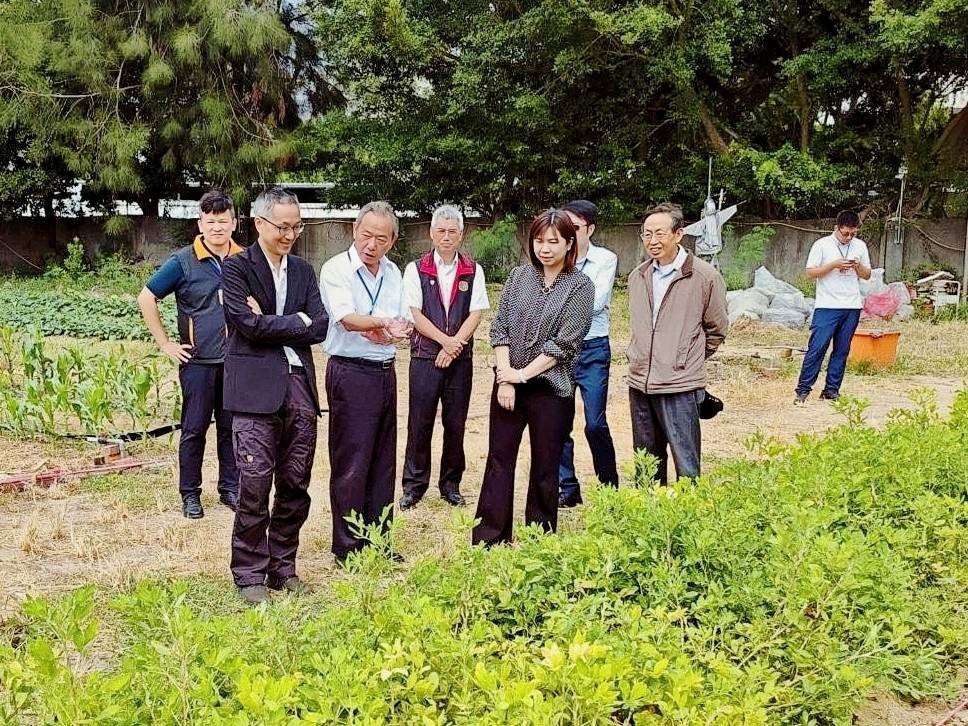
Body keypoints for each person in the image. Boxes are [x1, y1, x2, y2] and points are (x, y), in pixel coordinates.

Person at [221, 187, 329, 605]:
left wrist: (271, 320)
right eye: (282, 226)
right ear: (259, 223)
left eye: (296, 227)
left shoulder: (303, 270)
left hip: (299, 385)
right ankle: (249, 572)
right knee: (254, 482)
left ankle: (283, 566)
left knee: (296, 482)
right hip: (254, 390)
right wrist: (293, 321)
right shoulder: (237, 268)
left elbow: (320, 325)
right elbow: (245, 324)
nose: (289, 235)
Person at [472, 209, 594, 547]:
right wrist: (506, 379)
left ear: (569, 243)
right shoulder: (518, 277)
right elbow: (500, 329)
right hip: (508, 384)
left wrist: (522, 375)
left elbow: (564, 344)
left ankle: (540, 539)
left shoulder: (580, 286)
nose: (545, 248)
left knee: (545, 464)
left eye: (554, 241)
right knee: (499, 460)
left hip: (550, 390)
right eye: (539, 240)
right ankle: (490, 537)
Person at [137, 190, 242, 519]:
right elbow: (146, 297)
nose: (217, 228)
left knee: (231, 429)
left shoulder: (245, 259)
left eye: (223, 221)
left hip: (237, 362)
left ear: (234, 223)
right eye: (210, 222)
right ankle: (190, 494)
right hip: (197, 362)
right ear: (200, 224)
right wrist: (165, 343)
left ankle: (230, 488)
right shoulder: (183, 261)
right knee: (194, 429)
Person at [319, 201, 412, 564]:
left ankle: (379, 540)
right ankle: (348, 547)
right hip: (351, 372)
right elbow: (345, 317)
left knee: (383, 460)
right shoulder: (336, 269)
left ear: (392, 241)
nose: (372, 244)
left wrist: (389, 330)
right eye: (366, 234)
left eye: (381, 238)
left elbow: (399, 319)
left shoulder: (393, 273)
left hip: (385, 370)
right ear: (354, 230)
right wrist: (380, 324)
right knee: (352, 462)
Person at [627, 203, 728, 484]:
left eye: (660, 233)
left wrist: (684, 357)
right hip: (640, 381)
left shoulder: (704, 276)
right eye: (647, 234)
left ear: (678, 234)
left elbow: (717, 329)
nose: (653, 241)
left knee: (686, 463)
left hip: (679, 384)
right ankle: (648, 508)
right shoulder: (638, 276)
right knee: (646, 464)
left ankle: (688, 508)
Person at [399, 205, 489, 510]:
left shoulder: (473, 270)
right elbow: (415, 313)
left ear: (461, 234)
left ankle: (451, 484)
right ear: (431, 233)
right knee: (419, 422)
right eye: (441, 231)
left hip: (460, 360)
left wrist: (454, 347)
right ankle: (414, 485)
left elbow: (475, 313)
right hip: (425, 356)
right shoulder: (416, 269)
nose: (446, 237)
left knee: (455, 423)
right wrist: (445, 342)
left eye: (452, 231)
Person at [556, 200, 619, 507]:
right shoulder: (554, 256)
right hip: (560, 350)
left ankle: (609, 487)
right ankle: (567, 488)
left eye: (575, 227)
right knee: (558, 422)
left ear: (590, 229)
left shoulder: (605, 259)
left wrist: (559, 304)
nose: (568, 233)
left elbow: (595, 302)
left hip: (593, 348)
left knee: (595, 423)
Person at [794, 210, 871, 404]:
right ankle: (803, 390)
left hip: (851, 306)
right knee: (817, 348)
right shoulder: (822, 245)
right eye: (845, 233)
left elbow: (867, 275)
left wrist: (857, 266)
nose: (849, 237)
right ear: (836, 228)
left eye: (853, 234)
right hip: (827, 305)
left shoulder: (860, 246)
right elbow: (810, 273)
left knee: (842, 350)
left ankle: (831, 390)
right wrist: (834, 265)